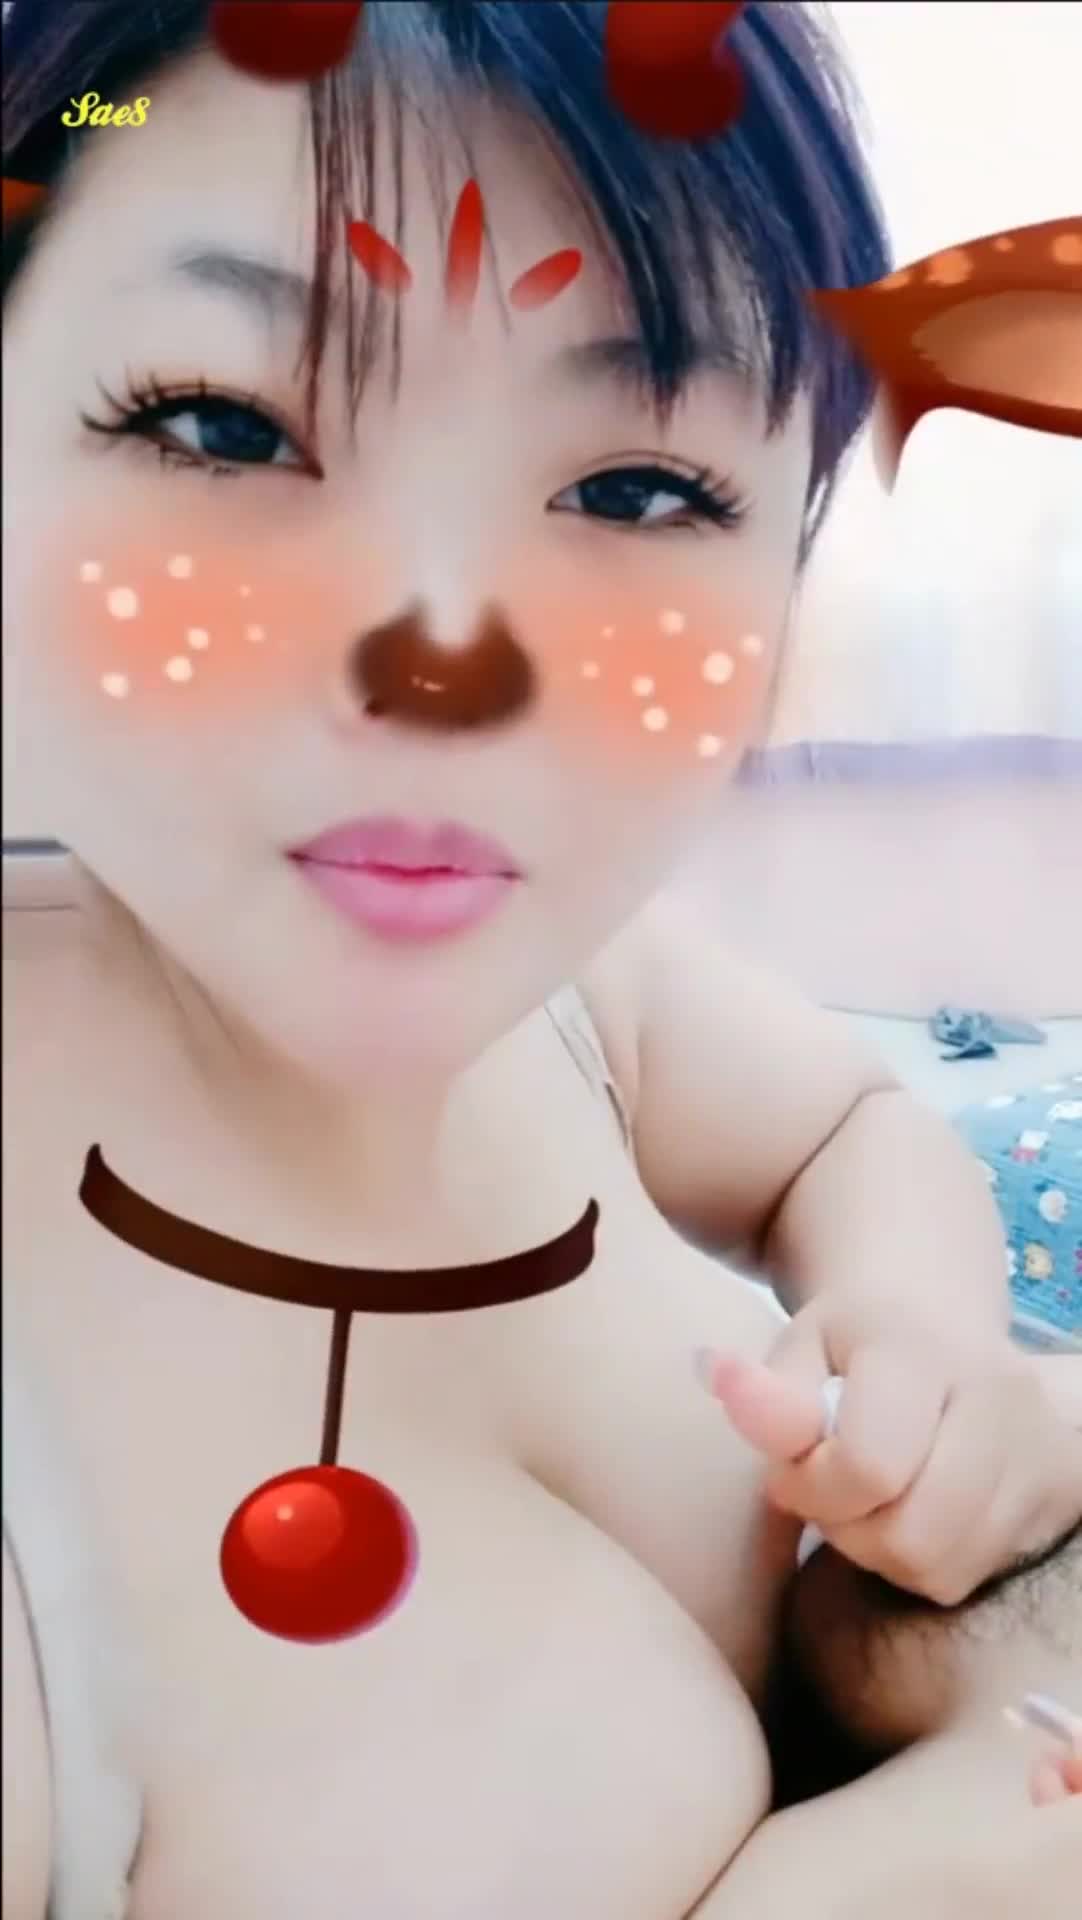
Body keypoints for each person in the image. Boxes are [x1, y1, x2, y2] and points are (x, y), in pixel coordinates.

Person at [2, 4, 1079, 1916]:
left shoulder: (577, 998)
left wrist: (922, 1331)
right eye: (221, 427)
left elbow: (843, 1121)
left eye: (641, 491)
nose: (446, 663)